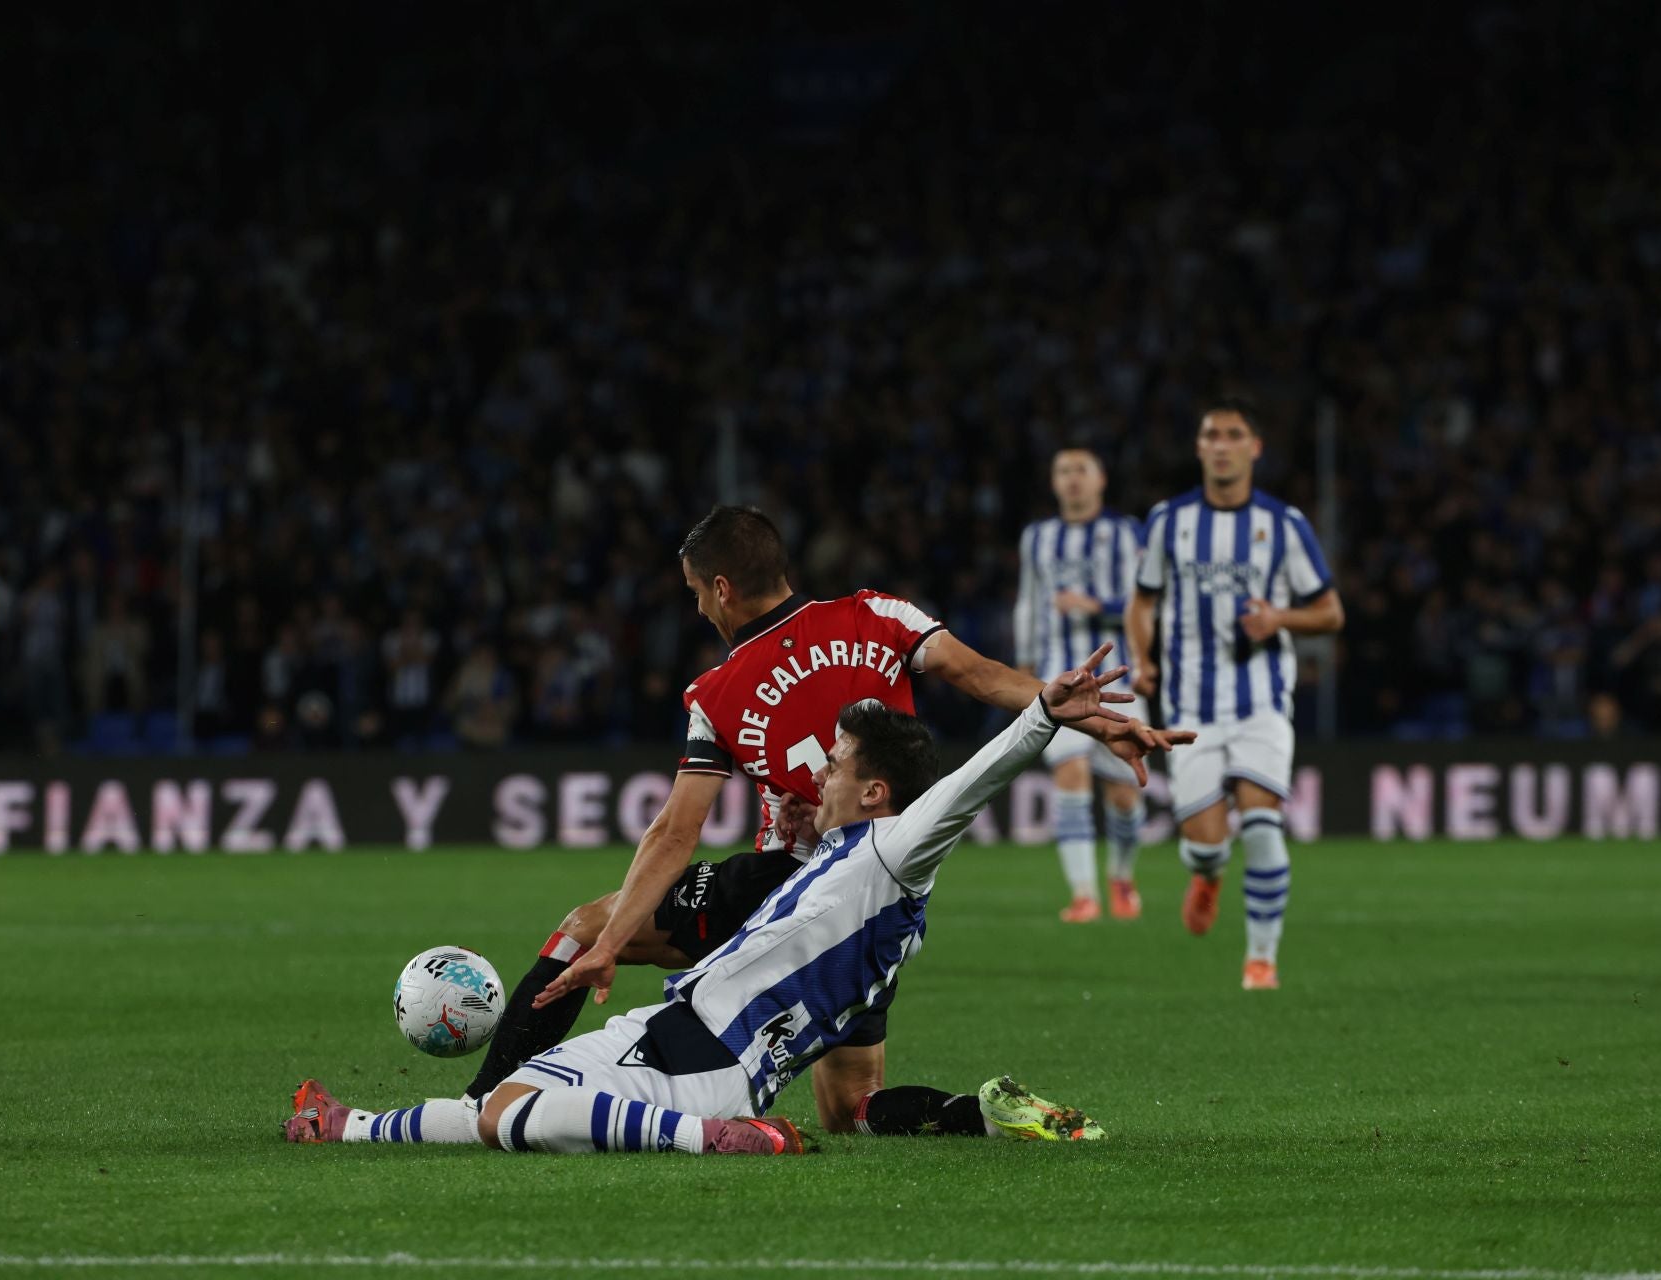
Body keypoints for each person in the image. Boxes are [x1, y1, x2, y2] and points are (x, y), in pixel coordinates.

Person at [456, 506, 1183, 1143]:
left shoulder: (719, 690)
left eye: (695, 595)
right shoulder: (880, 617)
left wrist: (612, 943)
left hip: (784, 892)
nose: (701, 612)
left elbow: (675, 835)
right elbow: (984, 676)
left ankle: (481, 1100)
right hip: (882, 898)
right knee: (850, 1106)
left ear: (721, 588)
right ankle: (978, 1115)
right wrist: (1086, 721)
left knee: (582, 926)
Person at [287, 647, 1175, 1154]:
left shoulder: (893, 853)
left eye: (836, 763)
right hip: (686, 1044)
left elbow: (963, 791)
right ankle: (347, 1125)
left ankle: (711, 1141)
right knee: (503, 1108)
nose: (821, 771)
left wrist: (1042, 719)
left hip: (698, 1059)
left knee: (512, 1115)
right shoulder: (857, 866)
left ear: (875, 793)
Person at [1125, 401, 1344, 990]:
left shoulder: (1284, 524)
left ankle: (1261, 961)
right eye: (1210, 436)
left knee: (1265, 824)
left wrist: (1278, 618)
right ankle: (1208, 874)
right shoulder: (1169, 521)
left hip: (1263, 703)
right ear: (1199, 449)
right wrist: (1142, 659)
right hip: (1191, 706)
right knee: (1206, 847)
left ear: (1255, 447)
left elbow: (1330, 612)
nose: (1221, 445)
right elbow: (1142, 602)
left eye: (1232, 435)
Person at [1015, 447, 1147, 923]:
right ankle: (1084, 894)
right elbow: (1028, 602)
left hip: (1119, 677)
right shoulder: (1038, 538)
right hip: (1058, 680)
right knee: (1069, 774)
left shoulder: (1127, 532)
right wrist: (1024, 671)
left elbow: (1146, 602)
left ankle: (1121, 876)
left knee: (1125, 795)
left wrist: (1098, 606)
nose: (1072, 479)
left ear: (1100, 479)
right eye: (1063, 471)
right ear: (1053, 483)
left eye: (1081, 471)